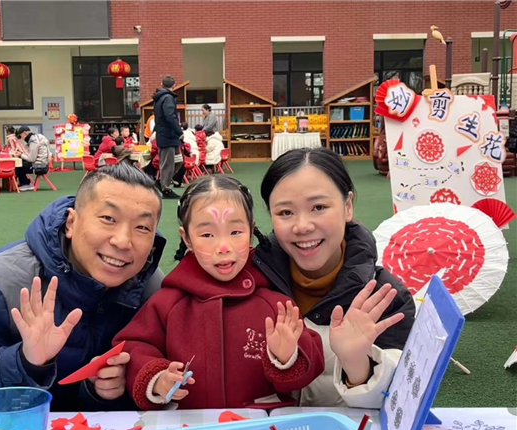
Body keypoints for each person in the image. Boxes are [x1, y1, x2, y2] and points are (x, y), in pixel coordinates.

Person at [0, 164, 166, 430]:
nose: (123, 241)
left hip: (58, 422)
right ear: (71, 222)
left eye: (142, 227)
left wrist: (99, 390)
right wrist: (26, 362)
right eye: (108, 218)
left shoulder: (148, 286)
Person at [114, 175, 325, 409]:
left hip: (258, 426)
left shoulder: (275, 303)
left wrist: (287, 358)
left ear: (251, 231)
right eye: (207, 235)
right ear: (187, 238)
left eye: (235, 232)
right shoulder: (167, 303)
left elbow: (308, 369)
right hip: (190, 426)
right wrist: (158, 379)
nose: (223, 247)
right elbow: (133, 347)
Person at [254, 148, 415, 408]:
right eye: (285, 212)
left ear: (347, 206)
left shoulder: (385, 298)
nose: (302, 226)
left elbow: (398, 404)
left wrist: (357, 365)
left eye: (319, 207)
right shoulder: (251, 283)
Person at [153, 75, 184, 199]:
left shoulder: (160, 98)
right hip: (168, 135)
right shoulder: (168, 98)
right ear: (174, 85)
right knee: (168, 163)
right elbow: (170, 116)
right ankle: (165, 188)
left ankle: (162, 181)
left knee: (178, 161)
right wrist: (179, 132)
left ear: (162, 84)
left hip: (167, 135)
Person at [15, 126, 50, 192]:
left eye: (21, 136)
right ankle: (25, 182)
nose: (22, 138)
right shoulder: (38, 137)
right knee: (22, 162)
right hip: (44, 163)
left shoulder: (33, 141)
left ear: (25, 133)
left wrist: (20, 155)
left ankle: (26, 183)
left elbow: (31, 159)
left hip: (39, 166)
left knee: (18, 166)